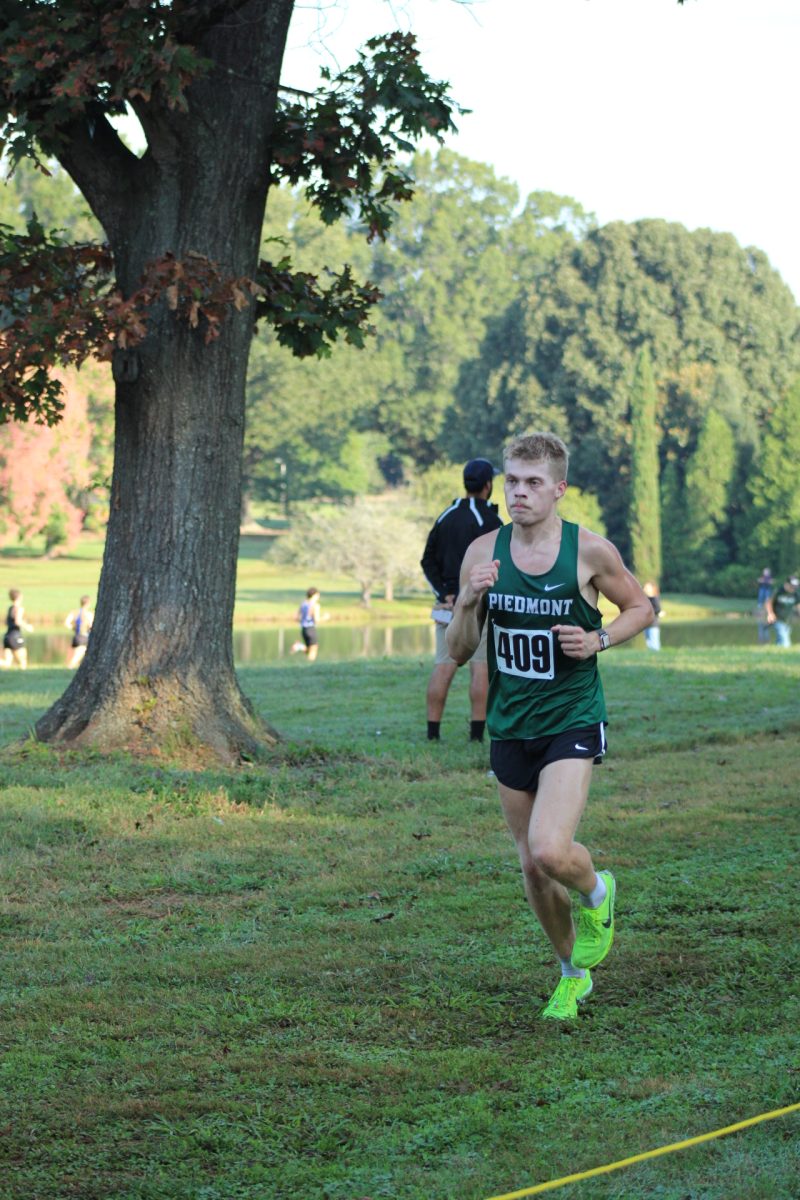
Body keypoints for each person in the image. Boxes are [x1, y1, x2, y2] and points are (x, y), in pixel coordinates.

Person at [447, 432, 653, 1021]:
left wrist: (598, 639)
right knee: (531, 867)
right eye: (512, 480)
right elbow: (458, 652)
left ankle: (597, 891)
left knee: (549, 848)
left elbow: (640, 608)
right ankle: (571, 973)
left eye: (534, 482)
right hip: (511, 726)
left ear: (559, 489)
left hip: (572, 719)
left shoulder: (589, 551)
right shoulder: (483, 552)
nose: (520, 492)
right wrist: (466, 601)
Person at [420, 458, 504, 742]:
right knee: (480, 667)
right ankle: (477, 736)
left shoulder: (446, 515)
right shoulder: (490, 521)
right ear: (488, 485)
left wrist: (444, 594)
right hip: (478, 605)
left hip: (447, 606)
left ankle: (433, 735)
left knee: (443, 666)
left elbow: (427, 560)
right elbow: (500, 562)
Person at [764, 575, 800, 647]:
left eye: (795, 586)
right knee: (785, 640)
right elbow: (768, 602)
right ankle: (788, 652)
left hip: (788, 620)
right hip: (777, 619)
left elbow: (798, 605)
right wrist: (770, 614)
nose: (793, 588)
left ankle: (777, 652)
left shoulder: (795, 594)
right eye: (791, 586)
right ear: (786, 584)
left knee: (781, 639)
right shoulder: (778, 591)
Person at [2, 588, 34, 669]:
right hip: (15, 636)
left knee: (7, 662)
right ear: (19, 597)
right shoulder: (19, 608)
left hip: (7, 636)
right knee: (23, 660)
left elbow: (6, 622)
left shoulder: (10, 608)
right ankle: (24, 677)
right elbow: (17, 621)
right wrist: (27, 627)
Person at [291, 587, 321, 661]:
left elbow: (296, 617)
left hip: (304, 629)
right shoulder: (315, 605)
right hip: (311, 629)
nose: (318, 597)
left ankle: (299, 646)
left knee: (310, 649)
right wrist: (325, 618)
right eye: (318, 595)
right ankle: (310, 666)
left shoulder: (303, 604)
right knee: (314, 649)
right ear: (314, 595)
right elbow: (316, 619)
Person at [65, 595, 94, 668]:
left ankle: (74, 668)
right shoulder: (88, 614)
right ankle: (70, 667)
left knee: (77, 654)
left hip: (77, 636)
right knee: (78, 655)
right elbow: (91, 625)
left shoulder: (74, 612)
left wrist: (73, 628)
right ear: (88, 603)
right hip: (84, 637)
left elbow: (66, 623)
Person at [755, 568, 774, 644]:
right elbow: (759, 581)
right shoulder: (763, 577)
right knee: (761, 594)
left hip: (767, 589)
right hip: (763, 589)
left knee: (767, 596)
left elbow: (771, 582)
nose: (765, 572)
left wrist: (766, 581)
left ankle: (766, 607)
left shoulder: (769, 577)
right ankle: (760, 605)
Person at [642, 581, 662, 651]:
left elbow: (658, 609)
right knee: (648, 642)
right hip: (646, 625)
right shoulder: (645, 599)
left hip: (653, 625)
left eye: (647, 587)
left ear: (652, 589)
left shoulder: (655, 598)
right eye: (645, 587)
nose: (645, 589)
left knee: (654, 643)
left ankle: (656, 656)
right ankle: (651, 655)